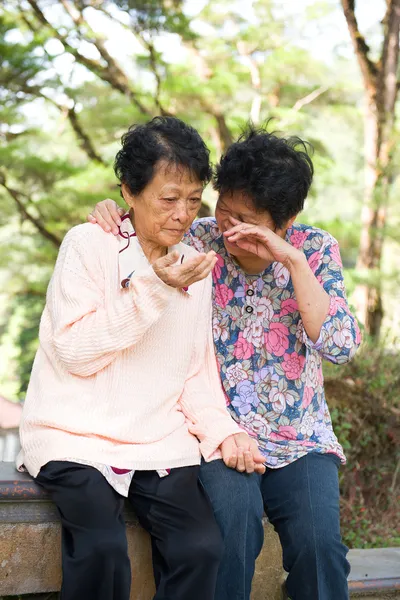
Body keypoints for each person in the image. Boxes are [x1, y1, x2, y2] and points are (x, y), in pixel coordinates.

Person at [90, 123, 362, 600]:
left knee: (321, 549)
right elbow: (134, 229)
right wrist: (111, 212)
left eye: (248, 220)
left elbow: (340, 345)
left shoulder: (316, 251)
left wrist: (293, 262)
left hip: (299, 435)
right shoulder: (196, 238)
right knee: (232, 531)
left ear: (286, 220)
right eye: (224, 210)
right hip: (216, 432)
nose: (229, 228)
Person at [17, 116, 265, 600]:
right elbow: (75, 351)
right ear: (129, 192)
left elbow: (197, 372)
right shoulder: (87, 244)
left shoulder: (194, 262)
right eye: (168, 198)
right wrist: (155, 288)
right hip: (74, 437)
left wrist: (224, 431)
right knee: (102, 549)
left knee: (199, 548)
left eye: (194, 200)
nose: (182, 214)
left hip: (156, 441)